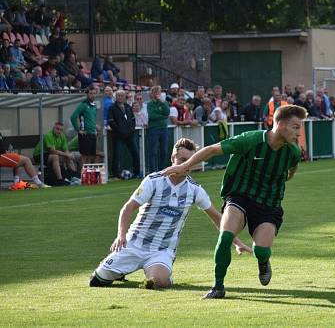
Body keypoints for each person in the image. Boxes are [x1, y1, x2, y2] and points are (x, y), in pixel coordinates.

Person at [162, 105, 308, 299]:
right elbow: (213, 149)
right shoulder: (251, 140)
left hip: (269, 204)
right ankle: (218, 287)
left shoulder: (293, 151)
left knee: (262, 250)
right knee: (225, 237)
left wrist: (285, 178)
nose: (299, 133)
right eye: (295, 127)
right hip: (239, 196)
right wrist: (186, 165)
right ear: (280, 124)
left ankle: (263, 261)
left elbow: (292, 169)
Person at [89, 138, 252, 289]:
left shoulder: (194, 190)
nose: (187, 165)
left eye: (190, 160)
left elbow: (217, 217)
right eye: (182, 160)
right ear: (172, 159)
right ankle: (121, 269)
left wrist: (236, 241)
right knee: (96, 282)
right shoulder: (153, 181)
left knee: (159, 282)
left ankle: (160, 274)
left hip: (162, 250)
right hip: (134, 244)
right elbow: (128, 207)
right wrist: (121, 235)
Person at [33, 122, 78, 186]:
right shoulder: (49, 135)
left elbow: (66, 150)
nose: (59, 131)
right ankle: (60, 180)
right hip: (39, 155)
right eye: (57, 129)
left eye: (61, 130)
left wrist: (68, 155)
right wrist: (66, 154)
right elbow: (52, 151)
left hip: (50, 154)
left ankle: (74, 176)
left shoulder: (62, 136)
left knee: (68, 156)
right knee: (55, 157)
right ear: (53, 128)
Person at [109, 90, 140, 178]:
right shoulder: (112, 108)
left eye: (122, 96)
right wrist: (120, 130)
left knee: (135, 153)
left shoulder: (128, 107)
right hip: (118, 136)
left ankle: (136, 173)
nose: (120, 97)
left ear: (125, 97)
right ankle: (116, 174)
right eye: (118, 96)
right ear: (116, 97)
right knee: (117, 155)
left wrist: (131, 130)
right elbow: (111, 121)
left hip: (129, 135)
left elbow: (133, 119)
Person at [70, 85, 99, 164]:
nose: (92, 95)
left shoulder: (94, 106)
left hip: (92, 133)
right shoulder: (83, 105)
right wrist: (78, 130)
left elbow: (90, 119)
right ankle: (82, 175)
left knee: (91, 155)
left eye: (94, 93)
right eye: (91, 93)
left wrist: (95, 126)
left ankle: (88, 174)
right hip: (85, 134)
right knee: (84, 156)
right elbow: (73, 117)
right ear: (87, 94)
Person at [147, 85, 171, 173]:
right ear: (152, 94)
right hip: (154, 129)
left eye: (158, 92)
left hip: (163, 129)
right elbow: (152, 116)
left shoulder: (163, 102)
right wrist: (163, 116)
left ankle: (161, 169)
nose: (157, 94)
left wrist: (162, 103)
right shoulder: (150, 104)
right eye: (155, 92)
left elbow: (167, 112)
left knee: (164, 151)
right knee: (153, 151)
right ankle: (152, 171)